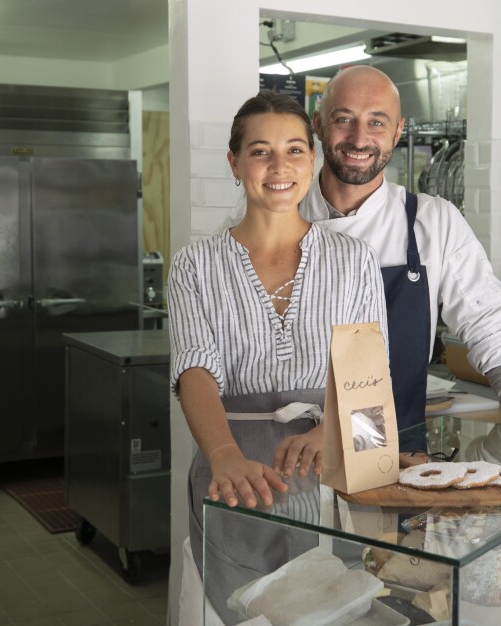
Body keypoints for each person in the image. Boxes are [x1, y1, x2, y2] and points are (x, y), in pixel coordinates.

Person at [167, 91, 389, 623]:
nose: (279, 166)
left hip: (332, 474)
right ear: (234, 163)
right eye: (260, 151)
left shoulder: (354, 259)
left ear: (312, 161)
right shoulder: (195, 265)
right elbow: (195, 368)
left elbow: (369, 378)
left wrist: (332, 431)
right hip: (236, 476)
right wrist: (223, 455)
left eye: (294, 150)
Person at [299, 65, 501, 434]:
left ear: (398, 130)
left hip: (395, 451)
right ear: (317, 122)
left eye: (377, 122)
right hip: (286, 454)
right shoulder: (275, 220)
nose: (359, 139)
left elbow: (495, 331)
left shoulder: (432, 221)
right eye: (344, 119)